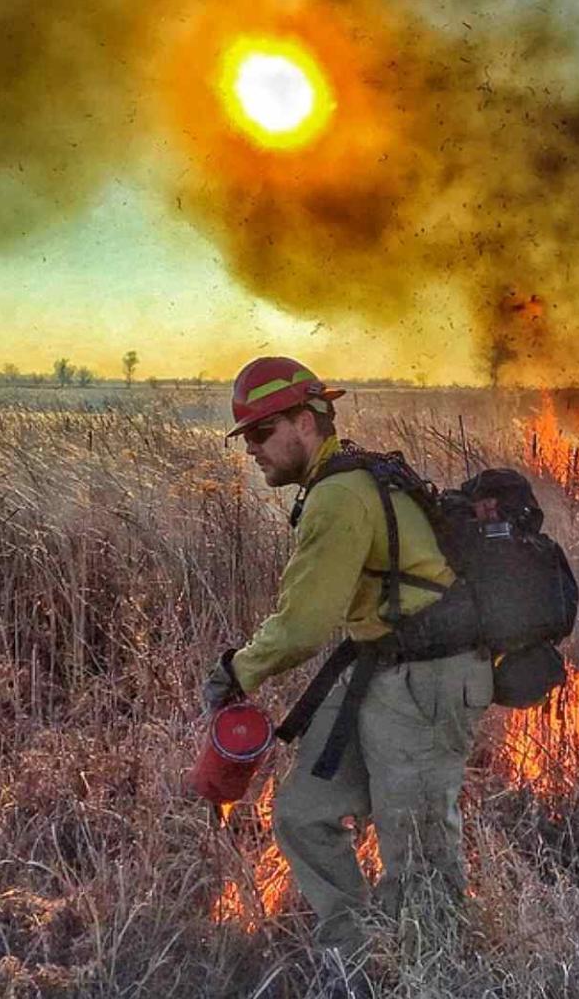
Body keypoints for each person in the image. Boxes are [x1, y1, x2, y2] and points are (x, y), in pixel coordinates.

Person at [201, 356, 494, 957]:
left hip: (428, 679)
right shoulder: (345, 482)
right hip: (380, 669)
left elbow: (305, 626)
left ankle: (436, 971)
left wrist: (238, 671)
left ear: (305, 422)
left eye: (260, 432)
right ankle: (355, 955)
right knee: (304, 815)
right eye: (248, 437)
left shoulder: (340, 495)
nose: (252, 450)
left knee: (418, 847)